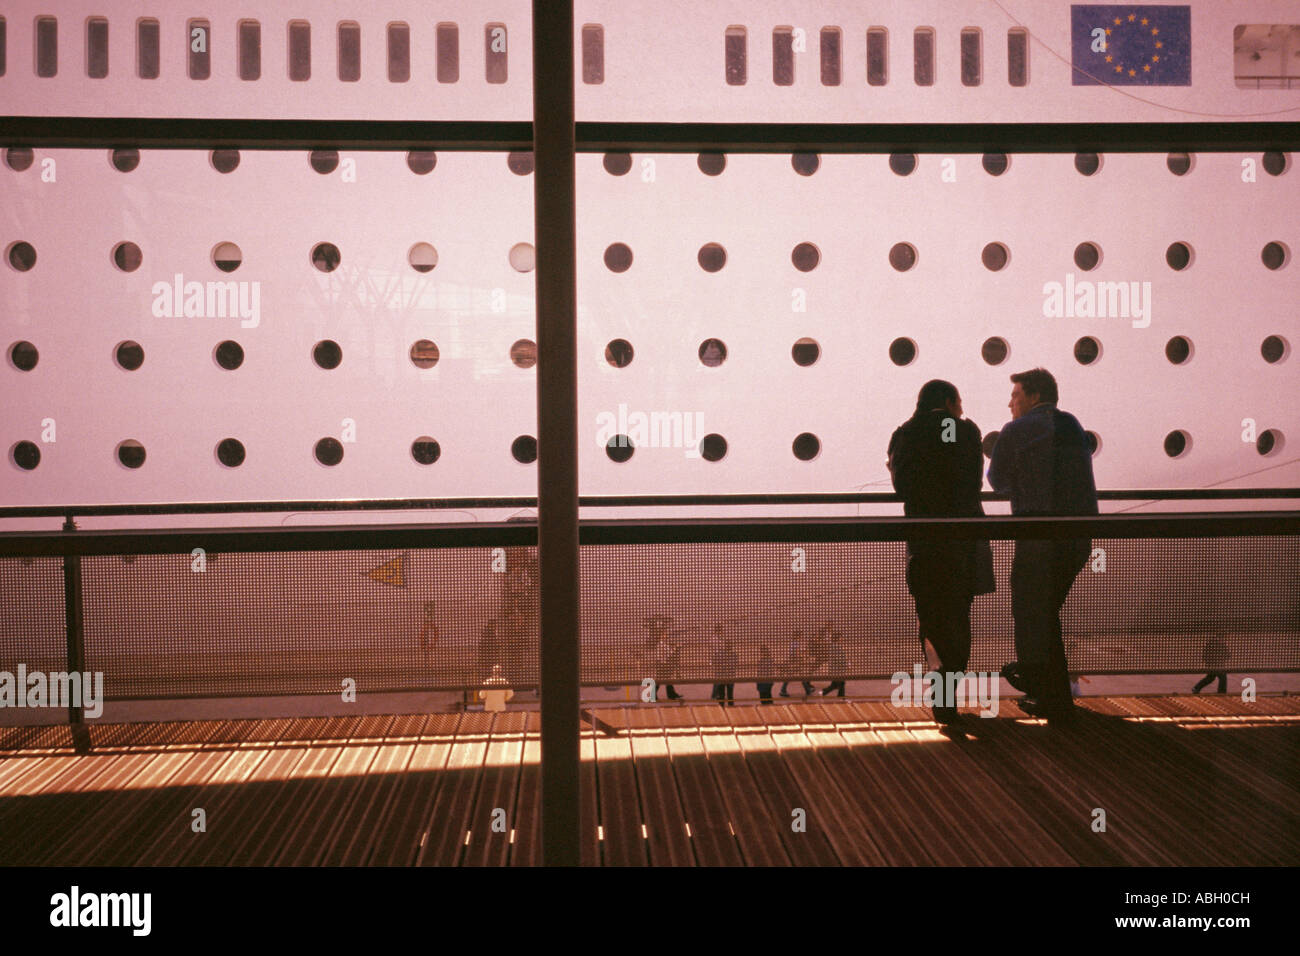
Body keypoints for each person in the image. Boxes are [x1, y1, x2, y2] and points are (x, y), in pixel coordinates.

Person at [988, 367, 1098, 726]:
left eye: (1015, 395)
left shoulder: (1017, 430)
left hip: (1038, 537)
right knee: (1045, 613)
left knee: (1032, 609)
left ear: (1033, 396)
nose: (1010, 403)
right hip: (1078, 538)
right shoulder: (1074, 425)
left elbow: (998, 482)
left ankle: (1040, 686)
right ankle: (1052, 694)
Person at [888, 379, 988, 725]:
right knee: (958, 618)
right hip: (960, 542)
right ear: (948, 402)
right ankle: (950, 696)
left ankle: (940, 695)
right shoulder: (964, 431)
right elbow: (972, 481)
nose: (961, 409)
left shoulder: (904, 433)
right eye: (958, 402)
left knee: (930, 619)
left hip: (923, 543)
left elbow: (902, 485)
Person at [779, 629, 814, 697]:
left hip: (794, 662)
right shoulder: (795, 644)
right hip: (795, 662)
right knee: (795, 676)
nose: (801, 636)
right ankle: (783, 691)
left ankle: (807, 690)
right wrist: (801, 655)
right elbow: (795, 654)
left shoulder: (793, 643)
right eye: (800, 635)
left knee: (796, 676)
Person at [711, 636, 738, 706]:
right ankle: (731, 708)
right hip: (730, 677)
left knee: (722, 695)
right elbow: (735, 665)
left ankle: (722, 708)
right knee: (730, 695)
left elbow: (714, 661)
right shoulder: (734, 655)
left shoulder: (720, 654)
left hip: (722, 676)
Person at [821, 630, 849, 697]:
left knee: (836, 684)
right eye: (840, 637)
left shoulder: (832, 646)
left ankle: (825, 693)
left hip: (835, 669)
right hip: (838, 670)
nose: (842, 639)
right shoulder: (837, 647)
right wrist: (846, 665)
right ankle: (840, 696)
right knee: (840, 683)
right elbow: (840, 659)